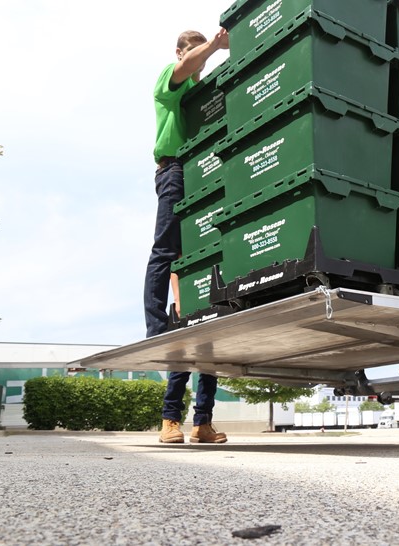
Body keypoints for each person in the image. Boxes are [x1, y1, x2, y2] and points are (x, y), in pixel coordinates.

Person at [148, 28, 229, 444]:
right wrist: (213, 46)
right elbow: (184, 69)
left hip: (203, 172)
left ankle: (202, 423)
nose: (198, 58)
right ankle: (156, 328)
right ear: (180, 52)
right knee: (166, 250)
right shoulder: (170, 83)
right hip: (175, 170)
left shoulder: (203, 97)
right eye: (192, 51)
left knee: (209, 337)